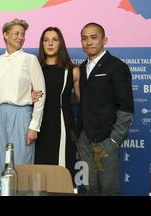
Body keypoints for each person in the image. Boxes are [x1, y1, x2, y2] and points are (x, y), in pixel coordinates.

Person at [77, 23, 134, 195]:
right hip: (84, 140)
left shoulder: (117, 66)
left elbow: (126, 107)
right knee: (88, 189)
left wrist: (114, 140)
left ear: (104, 40)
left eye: (93, 37)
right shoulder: (81, 68)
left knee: (110, 191)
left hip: (106, 139)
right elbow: (82, 100)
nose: (89, 42)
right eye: (84, 38)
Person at [0, 18, 45, 185]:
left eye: (23, 34)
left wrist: (34, 126)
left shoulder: (30, 59)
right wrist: (27, 95)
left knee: (21, 164)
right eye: (16, 33)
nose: (20, 37)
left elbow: (41, 94)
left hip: (22, 115)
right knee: (1, 163)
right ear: (5, 35)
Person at [35, 27, 80, 177]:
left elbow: (84, 102)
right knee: (39, 174)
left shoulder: (72, 70)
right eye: (46, 40)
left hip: (62, 125)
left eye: (54, 39)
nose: (50, 43)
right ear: (42, 44)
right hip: (37, 126)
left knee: (61, 173)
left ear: (61, 43)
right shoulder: (34, 69)